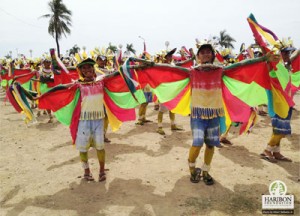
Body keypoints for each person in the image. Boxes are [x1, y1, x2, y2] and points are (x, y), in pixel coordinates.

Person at [260, 45, 296, 163]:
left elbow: (293, 58)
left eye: (288, 53)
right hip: (277, 104)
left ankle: (276, 152)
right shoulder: (273, 67)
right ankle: (267, 150)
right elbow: (267, 56)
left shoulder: (284, 68)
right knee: (280, 130)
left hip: (285, 103)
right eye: (284, 53)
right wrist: (261, 45)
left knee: (279, 129)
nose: (287, 55)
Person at [155, 48, 184, 135]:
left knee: (172, 108)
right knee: (161, 109)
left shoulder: (172, 64)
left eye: (171, 55)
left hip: (172, 90)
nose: (171, 57)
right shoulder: (160, 66)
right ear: (164, 57)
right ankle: (159, 127)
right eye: (169, 56)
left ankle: (173, 125)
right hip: (163, 90)